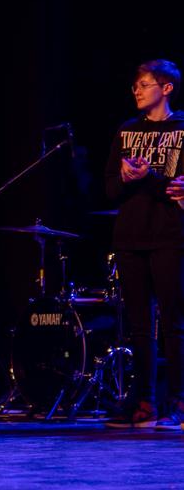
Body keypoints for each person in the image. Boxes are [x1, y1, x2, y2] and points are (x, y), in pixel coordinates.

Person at [105, 59, 184, 430]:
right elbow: (109, 189)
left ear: (166, 88)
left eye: (145, 84)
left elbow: (173, 189)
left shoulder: (181, 129)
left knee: (174, 322)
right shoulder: (126, 131)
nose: (136, 90)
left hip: (170, 236)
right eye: (135, 85)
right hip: (130, 236)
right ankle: (144, 401)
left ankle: (179, 401)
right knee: (139, 325)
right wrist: (125, 177)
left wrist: (150, 177)